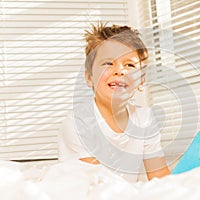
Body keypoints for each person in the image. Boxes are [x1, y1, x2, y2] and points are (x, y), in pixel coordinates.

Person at [58, 23, 170, 182]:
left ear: (141, 81)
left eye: (130, 65)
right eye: (108, 63)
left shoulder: (145, 118)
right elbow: (96, 184)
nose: (120, 71)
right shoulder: (77, 124)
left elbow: (160, 177)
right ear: (89, 77)